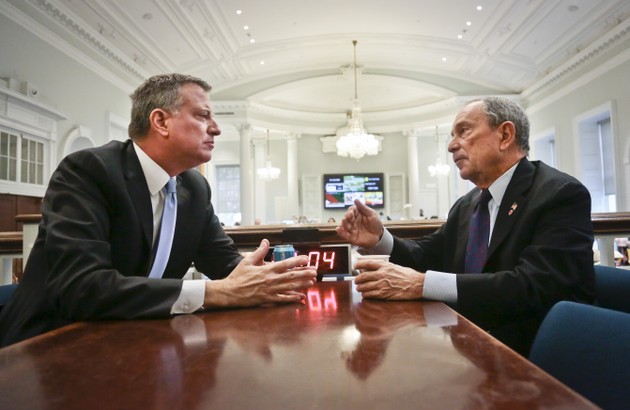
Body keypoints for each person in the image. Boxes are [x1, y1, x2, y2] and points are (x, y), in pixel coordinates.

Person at [0, 73, 317, 347]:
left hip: (139, 340)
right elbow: (82, 288)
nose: (216, 129)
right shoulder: (88, 171)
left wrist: (265, 277)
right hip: (51, 343)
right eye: (203, 116)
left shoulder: (195, 187)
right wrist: (217, 292)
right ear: (161, 121)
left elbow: (224, 263)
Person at [336, 97, 595, 355]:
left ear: (505, 135)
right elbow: (430, 254)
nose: (451, 146)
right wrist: (379, 238)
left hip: (537, 352)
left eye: (464, 131)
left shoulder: (560, 194)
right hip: (469, 345)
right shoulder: (468, 203)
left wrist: (421, 285)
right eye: (452, 136)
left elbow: (535, 286)